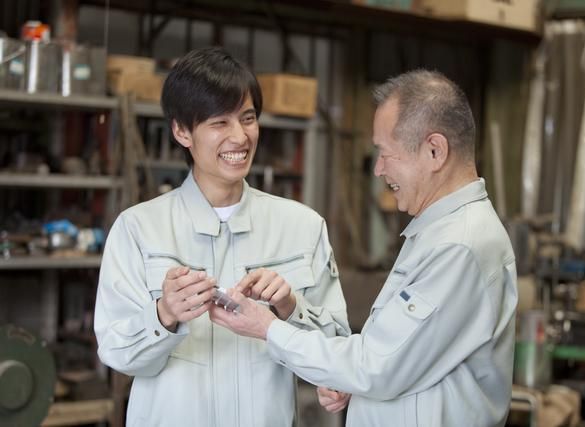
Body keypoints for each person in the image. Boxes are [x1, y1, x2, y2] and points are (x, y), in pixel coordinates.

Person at [211, 69, 518, 427]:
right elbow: (397, 359)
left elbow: (376, 366)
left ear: (435, 151)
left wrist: (268, 327)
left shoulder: (460, 245)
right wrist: (349, 381)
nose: (378, 169)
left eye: (386, 153)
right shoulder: (438, 232)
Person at [94, 46, 350, 427]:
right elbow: (117, 352)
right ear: (182, 131)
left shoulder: (302, 226)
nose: (240, 137)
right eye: (219, 122)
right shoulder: (138, 230)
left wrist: (290, 307)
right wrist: (164, 315)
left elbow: (338, 348)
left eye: (248, 118)